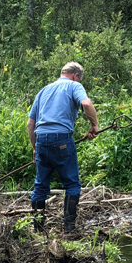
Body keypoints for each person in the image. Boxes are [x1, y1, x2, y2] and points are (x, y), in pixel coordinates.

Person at [27, 62, 98, 235]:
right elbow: (87, 104)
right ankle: (69, 228)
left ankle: (38, 229)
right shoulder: (74, 86)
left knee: (40, 186)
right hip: (62, 140)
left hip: (41, 140)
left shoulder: (44, 90)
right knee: (72, 184)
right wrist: (94, 126)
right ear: (76, 75)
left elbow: (30, 123)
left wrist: (35, 147)